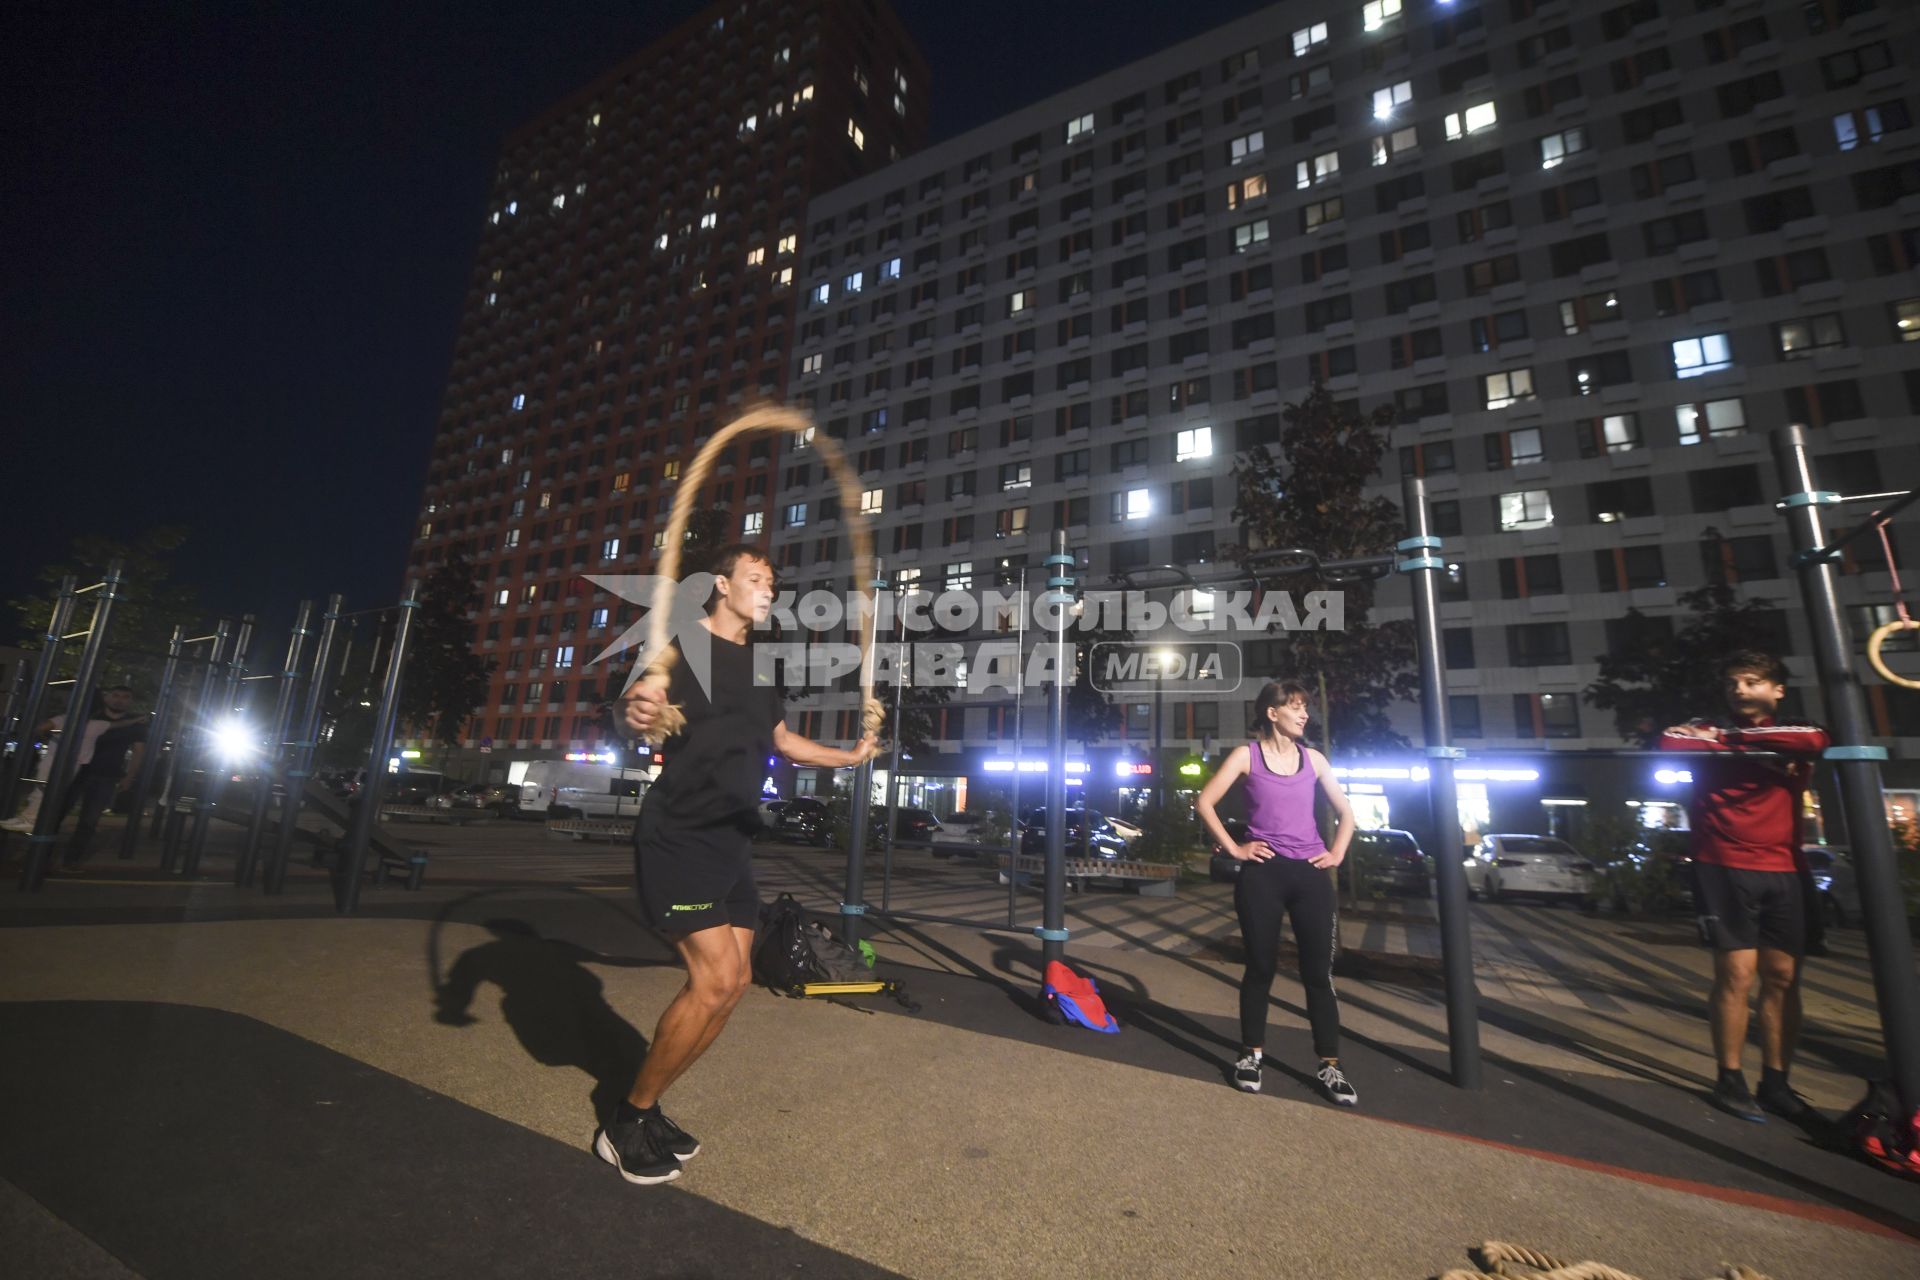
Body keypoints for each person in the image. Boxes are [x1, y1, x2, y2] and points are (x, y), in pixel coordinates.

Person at [598, 544, 879, 1185]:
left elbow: (781, 742)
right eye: (757, 577)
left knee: (737, 984)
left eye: (773, 581)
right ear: (722, 585)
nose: (769, 588)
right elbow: (637, 707)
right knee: (714, 979)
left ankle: (649, 1107)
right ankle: (626, 1120)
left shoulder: (759, 664)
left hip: (732, 842)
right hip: (681, 837)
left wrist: (850, 756)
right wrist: (635, 710)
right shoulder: (682, 643)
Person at [1659, 650, 1830, 1124]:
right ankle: (1729, 1078)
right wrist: (1737, 742)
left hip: (1784, 865)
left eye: (1752, 681)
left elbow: (1816, 739)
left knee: (1782, 976)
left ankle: (1776, 1081)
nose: (1739, 689)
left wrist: (1726, 741)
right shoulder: (1700, 724)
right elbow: (1672, 743)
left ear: (1776, 690)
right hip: (1723, 862)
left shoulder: (1792, 728)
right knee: (1736, 975)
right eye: (1733, 682)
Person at [1196, 680, 1359, 1105]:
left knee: (1318, 975)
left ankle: (1330, 1065)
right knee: (1261, 968)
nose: (1305, 715)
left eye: (1306, 708)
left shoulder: (1315, 760)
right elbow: (1205, 802)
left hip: (1310, 875)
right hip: (1262, 874)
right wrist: (1235, 848)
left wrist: (1336, 853)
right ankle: (1250, 1055)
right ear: (1272, 713)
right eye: (1296, 708)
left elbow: (1346, 812)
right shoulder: (1245, 756)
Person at [2, 685, 148, 865]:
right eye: (115, 695)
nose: (119, 700)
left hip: (106, 774)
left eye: (125, 697)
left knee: (89, 821)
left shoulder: (134, 725)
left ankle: (71, 860)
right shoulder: (90, 716)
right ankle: (41, 855)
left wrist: (129, 776)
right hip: (76, 772)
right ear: (106, 697)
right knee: (56, 813)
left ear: (130, 701)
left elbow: (139, 751)